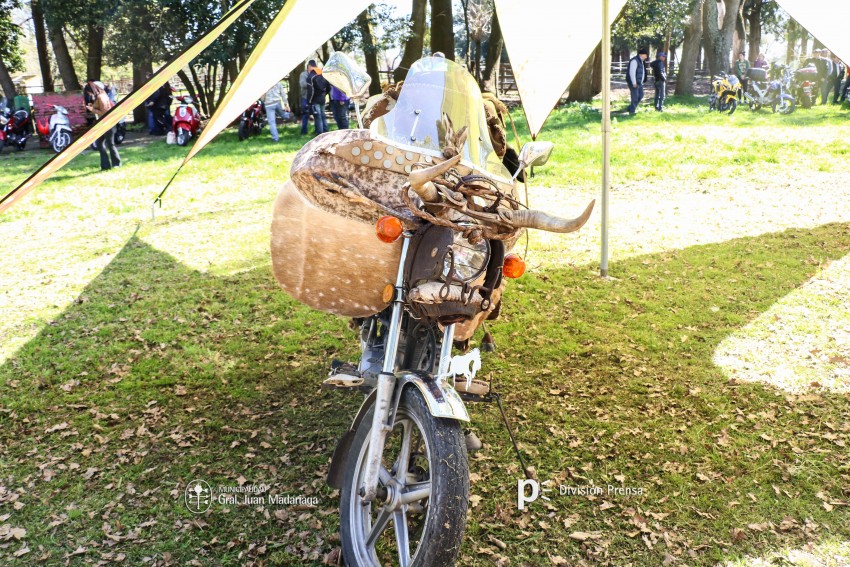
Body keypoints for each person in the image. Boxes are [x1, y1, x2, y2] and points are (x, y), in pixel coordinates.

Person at [85, 81, 121, 171]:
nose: (90, 94)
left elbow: (105, 113)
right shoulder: (100, 96)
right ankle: (105, 166)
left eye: (90, 92)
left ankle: (116, 164)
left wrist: (92, 109)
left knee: (110, 144)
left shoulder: (101, 97)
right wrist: (92, 106)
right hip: (103, 124)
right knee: (99, 143)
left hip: (108, 123)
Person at [305, 60, 329, 135]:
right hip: (322, 98)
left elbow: (310, 91)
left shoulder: (311, 77)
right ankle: (326, 131)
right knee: (323, 115)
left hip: (315, 100)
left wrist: (309, 101)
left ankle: (320, 134)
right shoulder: (323, 74)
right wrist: (325, 94)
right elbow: (329, 87)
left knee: (318, 117)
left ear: (309, 66)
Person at [626, 48, 648, 115]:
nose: (646, 57)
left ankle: (630, 108)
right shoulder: (634, 61)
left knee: (641, 95)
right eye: (645, 55)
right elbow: (632, 72)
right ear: (641, 55)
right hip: (634, 83)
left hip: (639, 83)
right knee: (635, 97)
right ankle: (632, 111)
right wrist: (634, 82)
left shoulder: (640, 61)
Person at [299, 67, 310, 135]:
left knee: (318, 115)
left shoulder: (316, 73)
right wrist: (311, 83)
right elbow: (303, 84)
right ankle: (304, 131)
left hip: (314, 97)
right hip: (305, 97)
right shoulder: (303, 74)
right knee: (305, 114)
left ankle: (319, 131)